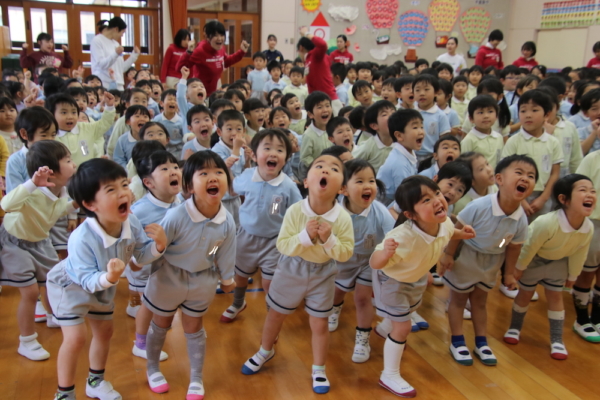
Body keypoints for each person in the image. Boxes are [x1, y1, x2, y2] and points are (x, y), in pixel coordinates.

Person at [47, 158, 166, 400]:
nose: (124, 193)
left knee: (104, 331)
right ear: (90, 204)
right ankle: (64, 393)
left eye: (124, 185)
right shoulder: (81, 238)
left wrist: (159, 246)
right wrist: (110, 277)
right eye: (111, 190)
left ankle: (95, 382)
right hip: (70, 287)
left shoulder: (130, 221)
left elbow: (140, 255)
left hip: (103, 285)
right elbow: (86, 278)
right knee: (76, 338)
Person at [241, 153, 354, 395]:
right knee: (275, 315)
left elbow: (345, 253)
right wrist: (304, 237)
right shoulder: (295, 211)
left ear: (343, 188)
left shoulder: (343, 218)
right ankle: (265, 350)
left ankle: (319, 368)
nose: (325, 170)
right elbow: (282, 245)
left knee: (319, 322)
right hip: (291, 269)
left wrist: (329, 239)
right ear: (306, 181)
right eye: (319, 166)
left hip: (323, 274)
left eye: (334, 168)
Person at [370, 175, 475, 397]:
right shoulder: (402, 237)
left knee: (404, 315)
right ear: (410, 215)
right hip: (392, 282)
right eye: (425, 200)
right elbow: (374, 262)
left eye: (436, 193)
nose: (437, 200)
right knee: (403, 326)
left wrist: (461, 233)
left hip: (414, 277)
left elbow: (448, 233)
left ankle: (384, 330)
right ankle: (389, 374)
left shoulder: (443, 222)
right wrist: (385, 252)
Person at [439, 154, 536, 367]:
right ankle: (457, 341)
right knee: (458, 300)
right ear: (499, 179)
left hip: (492, 261)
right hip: (467, 255)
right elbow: (458, 229)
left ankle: (481, 342)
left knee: (480, 302)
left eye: (531, 176)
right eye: (519, 173)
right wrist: (448, 255)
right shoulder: (479, 206)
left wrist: (508, 273)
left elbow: (512, 246)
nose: (525, 178)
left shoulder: (521, 219)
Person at [0, 141, 77, 361]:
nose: (73, 164)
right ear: (51, 172)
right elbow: (5, 204)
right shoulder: (33, 190)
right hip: (15, 243)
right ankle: (27, 340)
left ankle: (53, 316)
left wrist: (78, 203)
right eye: (69, 160)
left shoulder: (61, 190)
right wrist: (32, 183)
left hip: (40, 241)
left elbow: (58, 210)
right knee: (30, 293)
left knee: (51, 283)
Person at [504, 174, 595, 360]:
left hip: (558, 262)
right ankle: (514, 328)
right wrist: (518, 269)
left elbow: (580, 252)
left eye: (593, 191)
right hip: (533, 260)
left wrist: (573, 276)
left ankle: (557, 340)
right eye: (583, 190)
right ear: (564, 199)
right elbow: (528, 247)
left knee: (555, 296)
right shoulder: (546, 223)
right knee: (526, 294)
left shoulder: (588, 227)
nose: (590, 194)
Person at [221, 129, 301, 322]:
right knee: (239, 277)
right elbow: (232, 189)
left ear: (286, 158)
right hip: (246, 237)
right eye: (267, 148)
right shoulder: (248, 175)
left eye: (280, 150)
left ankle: (271, 309)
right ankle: (238, 302)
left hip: (274, 242)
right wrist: (226, 169)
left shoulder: (288, 185)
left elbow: (299, 211)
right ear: (255, 156)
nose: (273, 153)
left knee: (268, 282)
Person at [328, 159, 395, 363]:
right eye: (359, 181)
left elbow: (394, 235)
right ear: (343, 189)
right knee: (337, 291)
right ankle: (335, 308)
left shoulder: (380, 212)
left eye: (371, 180)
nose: (368, 186)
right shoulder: (333, 213)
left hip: (369, 261)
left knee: (362, 298)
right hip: (342, 260)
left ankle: (362, 339)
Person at [176, 21, 249, 96]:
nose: (220, 38)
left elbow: (226, 62)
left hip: (214, 92)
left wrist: (241, 52)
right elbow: (179, 68)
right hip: (200, 93)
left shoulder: (221, 48)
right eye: (216, 35)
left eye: (221, 35)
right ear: (207, 37)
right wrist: (188, 52)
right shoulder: (200, 51)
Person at [573, 147, 600, 342]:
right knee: (587, 271)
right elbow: (577, 188)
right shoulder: (593, 158)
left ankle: (597, 316)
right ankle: (582, 319)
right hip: (595, 222)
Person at [377, 109, 424, 205]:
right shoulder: (399, 164)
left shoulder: (407, 154)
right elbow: (404, 199)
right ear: (399, 135)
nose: (421, 132)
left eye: (422, 127)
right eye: (415, 127)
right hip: (388, 209)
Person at [297, 27, 343, 116]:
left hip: (329, 100)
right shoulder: (308, 60)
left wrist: (306, 33)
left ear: (301, 48)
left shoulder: (316, 55)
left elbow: (322, 44)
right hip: (317, 101)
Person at [90, 17, 140, 90]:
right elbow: (101, 64)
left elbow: (121, 68)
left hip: (119, 84)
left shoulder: (116, 43)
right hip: (104, 83)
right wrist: (115, 54)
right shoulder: (97, 40)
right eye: (122, 32)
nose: (122, 35)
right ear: (116, 29)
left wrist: (134, 56)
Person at [460, 95, 504, 170]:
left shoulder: (499, 137)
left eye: (490, 111)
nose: (486, 116)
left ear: (496, 116)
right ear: (471, 119)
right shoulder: (469, 140)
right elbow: (464, 166)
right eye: (480, 112)